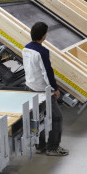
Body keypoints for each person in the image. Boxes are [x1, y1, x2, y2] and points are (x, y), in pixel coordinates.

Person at [22, 22, 69, 156]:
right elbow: (47, 72)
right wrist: (55, 88)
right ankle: (53, 147)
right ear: (43, 35)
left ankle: (40, 145)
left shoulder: (25, 49)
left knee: (38, 117)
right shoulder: (42, 51)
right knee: (57, 117)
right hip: (43, 91)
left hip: (30, 87)